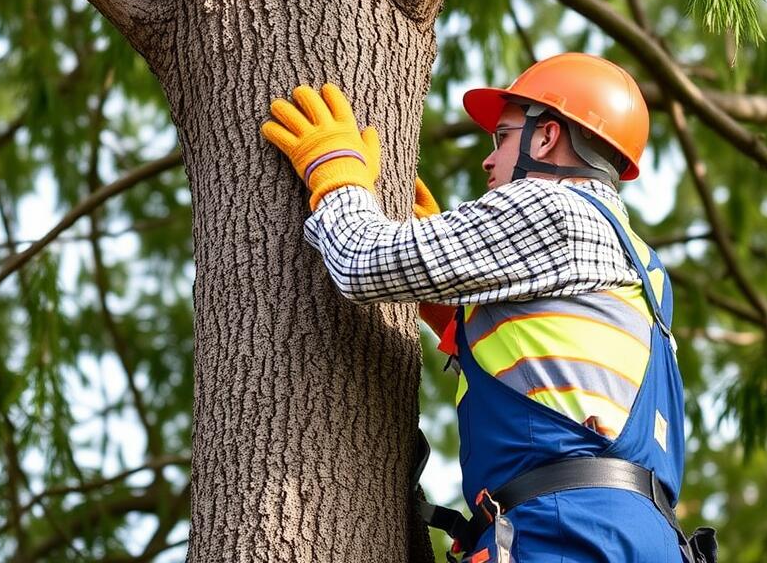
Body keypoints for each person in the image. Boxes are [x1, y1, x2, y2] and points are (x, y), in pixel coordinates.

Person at [260, 53, 714, 563]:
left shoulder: (552, 207)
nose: (488, 159)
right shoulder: (645, 267)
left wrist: (335, 172)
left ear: (546, 138)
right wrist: (445, 305)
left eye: (502, 136)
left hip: (567, 532)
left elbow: (363, 261)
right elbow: (553, 360)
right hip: (638, 538)